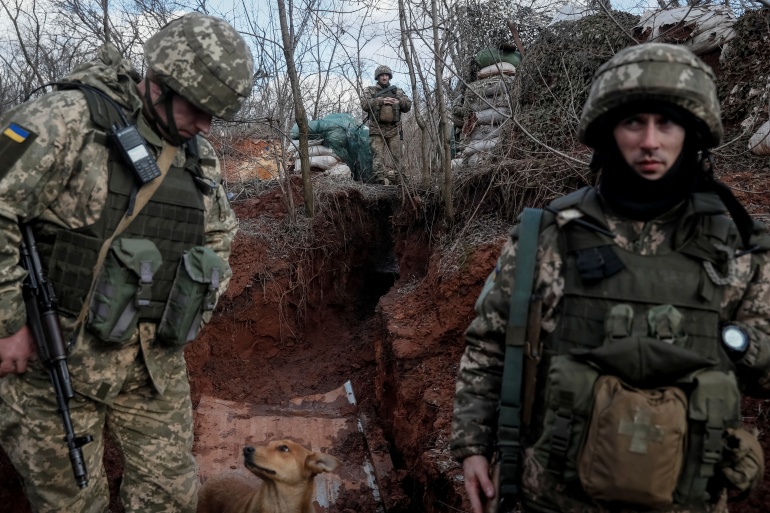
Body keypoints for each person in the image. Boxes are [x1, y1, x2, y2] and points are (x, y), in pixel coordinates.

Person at [451, 43, 768, 513]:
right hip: (552, 496)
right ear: (607, 132)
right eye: (633, 122)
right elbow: (491, 343)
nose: (650, 141)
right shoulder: (548, 234)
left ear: (693, 133)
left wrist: (722, 342)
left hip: (687, 498)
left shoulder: (739, 247)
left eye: (668, 123)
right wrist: (472, 446)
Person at [0, 12, 253, 513]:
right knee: (72, 505)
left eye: (214, 115)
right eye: (199, 108)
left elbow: (220, 231)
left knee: (172, 498)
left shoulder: (196, 155)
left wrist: (194, 296)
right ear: (159, 83)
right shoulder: (65, 120)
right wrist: (8, 322)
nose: (205, 125)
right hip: (56, 366)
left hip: (152, 365)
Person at [361, 65, 412, 185]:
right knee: (378, 156)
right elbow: (364, 104)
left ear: (389, 77)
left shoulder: (397, 91)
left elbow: (408, 106)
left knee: (398, 155)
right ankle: (381, 180)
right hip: (376, 128)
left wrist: (399, 102)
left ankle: (401, 180)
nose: (384, 77)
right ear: (377, 77)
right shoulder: (370, 90)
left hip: (393, 129)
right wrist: (380, 101)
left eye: (386, 75)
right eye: (382, 75)